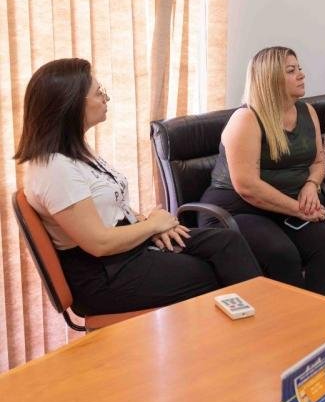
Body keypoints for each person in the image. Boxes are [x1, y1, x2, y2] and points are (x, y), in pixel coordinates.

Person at [17, 58, 261, 315]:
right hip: (103, 275)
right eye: (99, 93)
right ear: (72, 104)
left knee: (227, 244)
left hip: (125, 249)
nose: (106, 98)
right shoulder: (55, 169)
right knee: (211, 273)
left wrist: (149, 223)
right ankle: (257, 331)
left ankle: (268, 322)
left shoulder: (77, 150)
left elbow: (112, 205)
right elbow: (99, 243)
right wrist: (152, 226)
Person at [202, 47, 325, 299]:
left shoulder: (307, 112)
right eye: (291, 70)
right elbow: (247, 187)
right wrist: (299, 210)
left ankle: (324, 319)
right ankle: (291, 321)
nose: (301, 74)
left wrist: (312, 184)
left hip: (283, 206)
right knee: (282, 253)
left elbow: (318, 161)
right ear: (270, 79)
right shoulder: (246, 119)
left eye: (299, 68)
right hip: (236, 209)